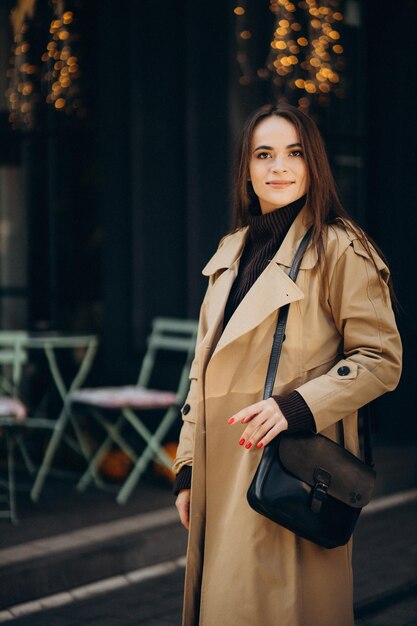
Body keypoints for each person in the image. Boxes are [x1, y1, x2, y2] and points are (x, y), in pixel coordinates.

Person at [172, 103, 402, 626]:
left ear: (313, 163)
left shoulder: (341, 247)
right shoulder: (231, 252)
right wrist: (187, 468)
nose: (279, 167)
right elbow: (200, 370)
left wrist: (298, 406)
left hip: (286, 475)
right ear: (247, 170)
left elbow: (380, 358)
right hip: (220, 472)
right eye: (264, 154)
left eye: (294, 153)